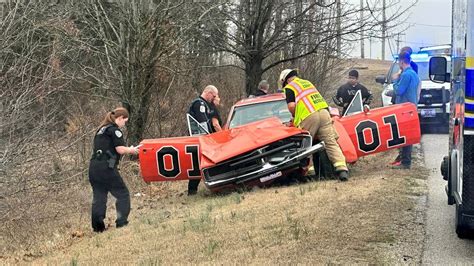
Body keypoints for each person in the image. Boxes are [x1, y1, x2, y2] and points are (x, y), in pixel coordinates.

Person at [279, 69, 349, 181]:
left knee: (305, 145)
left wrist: (294, 117)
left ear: (286, 80)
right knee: (330, 142)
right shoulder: (307, 83)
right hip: (324, 113)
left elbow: (292, 106)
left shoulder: (290, 87)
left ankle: (308, 172)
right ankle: (342, 169)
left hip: (308, 116)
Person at [88, 107, 139, 232]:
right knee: (123, 194)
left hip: (94, 168)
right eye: (125, 122)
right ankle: (122, 222)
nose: (124, 125)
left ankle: (98, 228)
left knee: (99, 197)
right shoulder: (115, 130)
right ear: (120, 118)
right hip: (107, 168)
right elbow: (120, 149)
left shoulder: (100, 130)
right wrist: (132, 150)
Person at [187, 85, 219, 195]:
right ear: (208, 92)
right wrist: (210, 137)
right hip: (200, 139)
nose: (214, 98)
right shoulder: (199, 103)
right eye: (213, 96)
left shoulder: (206, 105)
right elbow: (203, 123)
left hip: (203, 138)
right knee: (198, 164)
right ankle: (192, 190)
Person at [390, 52, 420, 169]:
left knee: (405, 136)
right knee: (408, 135)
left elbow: (399, 91)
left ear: (402, 61)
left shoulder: (406, 75)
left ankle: (405, 162)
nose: (398, 64)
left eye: (399, 62)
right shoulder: (414, 74)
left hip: (404, 109)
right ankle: (404, 160)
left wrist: (395, 80)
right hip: (411, 108)